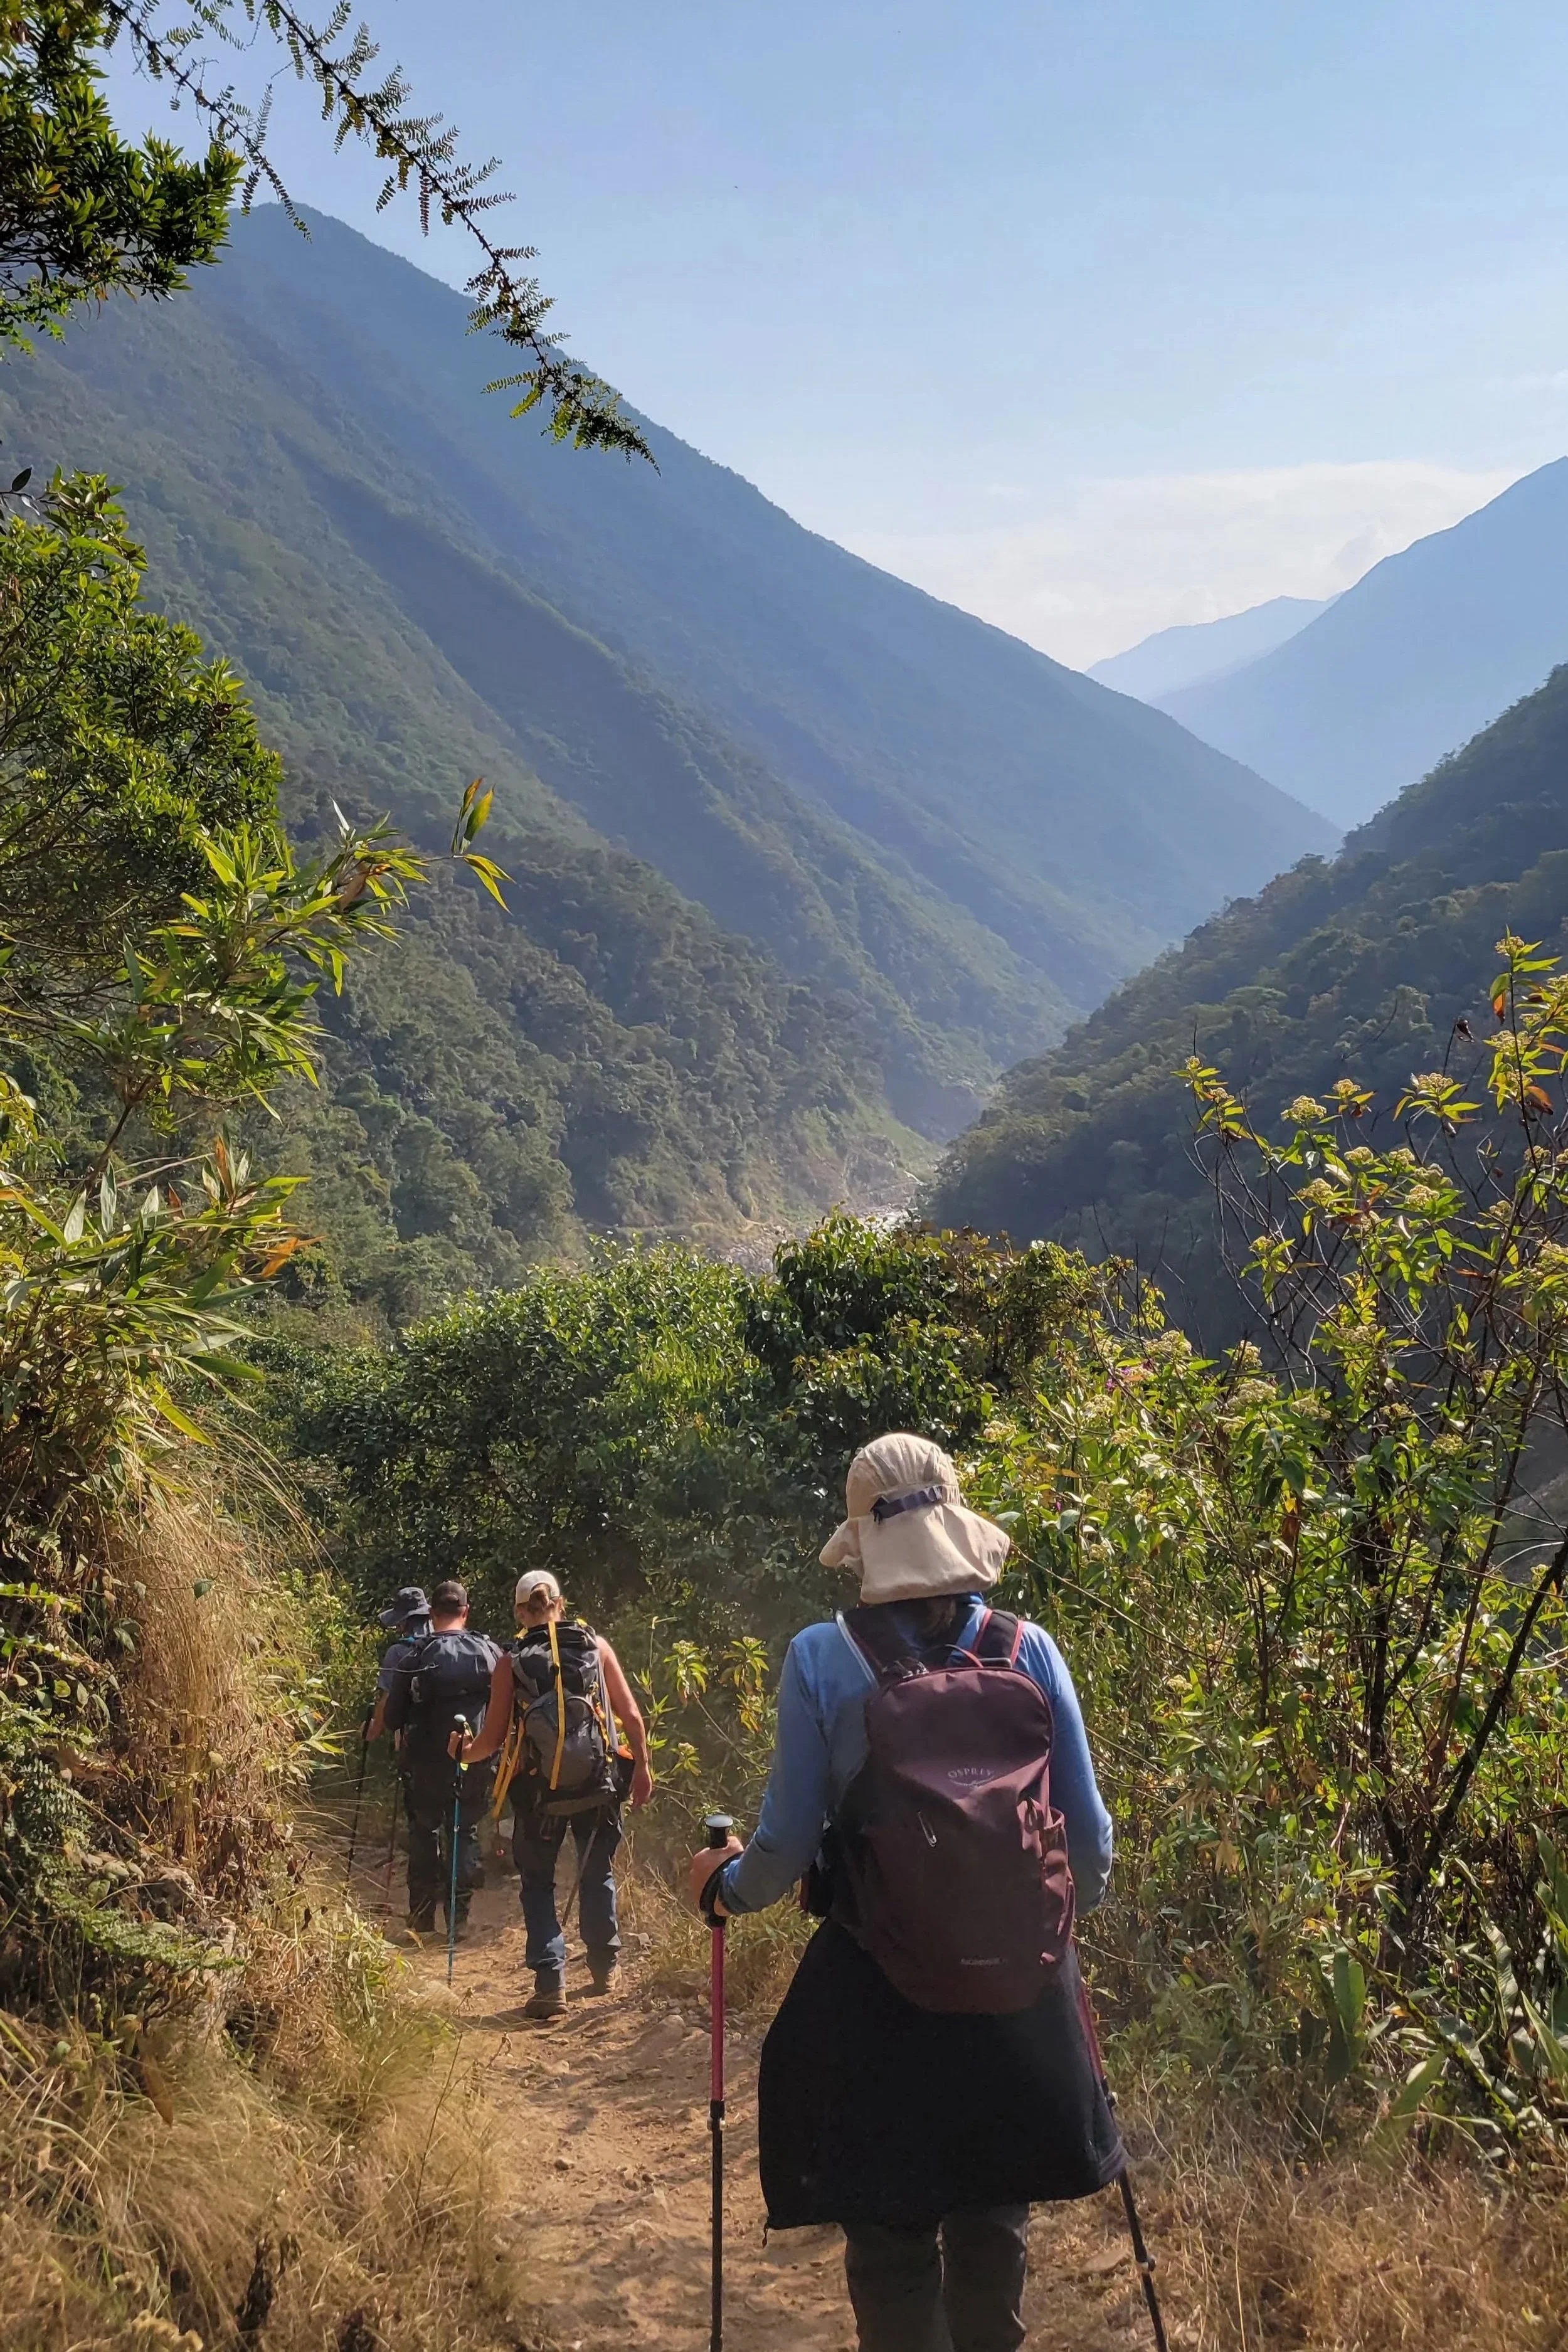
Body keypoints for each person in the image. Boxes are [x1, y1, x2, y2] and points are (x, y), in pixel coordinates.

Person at [687, 1431, 1121, 2352]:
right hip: (1016, 1998)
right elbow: (1091, 1844)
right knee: (991, 2219)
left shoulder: (820, 1656)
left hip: (880, 1993)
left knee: (890, 2242)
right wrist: (1036, 1930)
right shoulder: (1030, 1648)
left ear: (861, 1544)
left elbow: (783, 1847)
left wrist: (721, 1891)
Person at [457, 1568, 654, 2018]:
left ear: (521, 1612)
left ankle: (551, 1985)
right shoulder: (595, 1647)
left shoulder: (511, 1661)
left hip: (538, 1794)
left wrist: (462, 1753)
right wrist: (641, 1768)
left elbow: (490, 1740)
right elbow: (631, 1717)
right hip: (598, 1784)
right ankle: (605, 1969)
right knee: (596, 1870)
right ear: (561, 1604)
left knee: (539, 1884)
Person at [382, 1579, 500, 1937]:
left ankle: (421, 1918)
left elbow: (392, 1719)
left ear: (432, 1614)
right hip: (474, 1760)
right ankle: (458, 1920)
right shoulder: (490, 1653)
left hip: (424, 1766)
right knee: (463, 1833)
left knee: (425, 1834)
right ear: (466, 1611)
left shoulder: (414, 1655)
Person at [365, 1585, 432, 1744]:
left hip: (416, 1739)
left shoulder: (397, 1652)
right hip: (453, 1735)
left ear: (403, 1622)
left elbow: (387, 1697)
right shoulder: (446, 1644)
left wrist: (373, 1730)